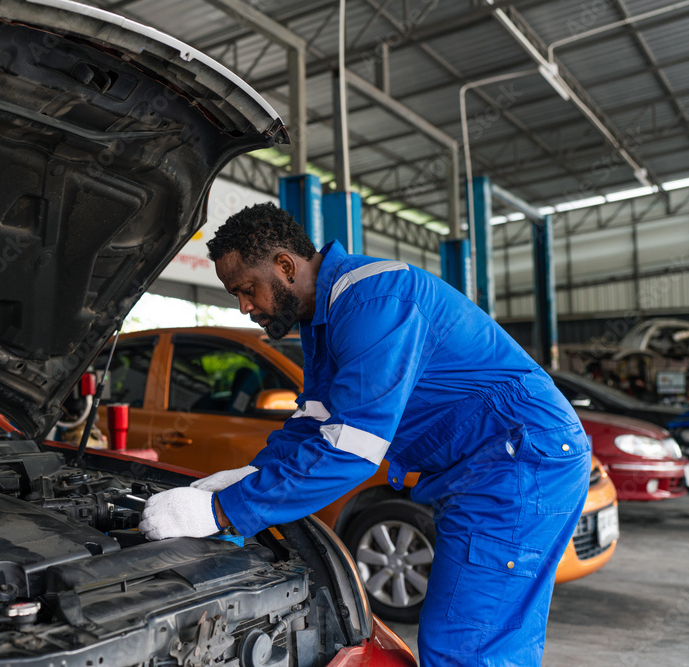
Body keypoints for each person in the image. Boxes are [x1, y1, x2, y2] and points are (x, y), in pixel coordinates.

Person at [139, 202, 590, 665]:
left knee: (467, 646)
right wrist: (247, 475)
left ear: (285, 266)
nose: (244, 306)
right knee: (482, 638)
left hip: (518, 462)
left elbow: (350, 450)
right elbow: (314, 422)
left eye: (246, 289)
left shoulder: (375, 300)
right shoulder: (327, 316)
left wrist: (221, 511)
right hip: (496, 464)